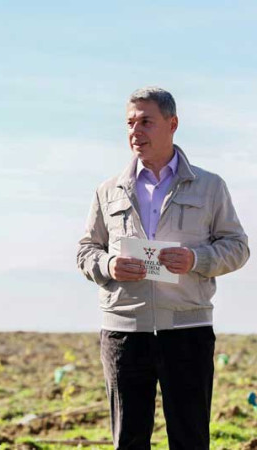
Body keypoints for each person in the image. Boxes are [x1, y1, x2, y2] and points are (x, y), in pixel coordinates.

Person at [77, 87, 250, 448]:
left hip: (187, 331)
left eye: (146, 122)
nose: (135, 132)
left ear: (172, 124)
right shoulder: (108, 190)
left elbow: (238, 247)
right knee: (129, 440)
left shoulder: (209, 186)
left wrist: (196, 259)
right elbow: (86, 251)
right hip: (124, 334)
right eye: (130, 123)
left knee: (190, 440)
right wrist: (108, 264)